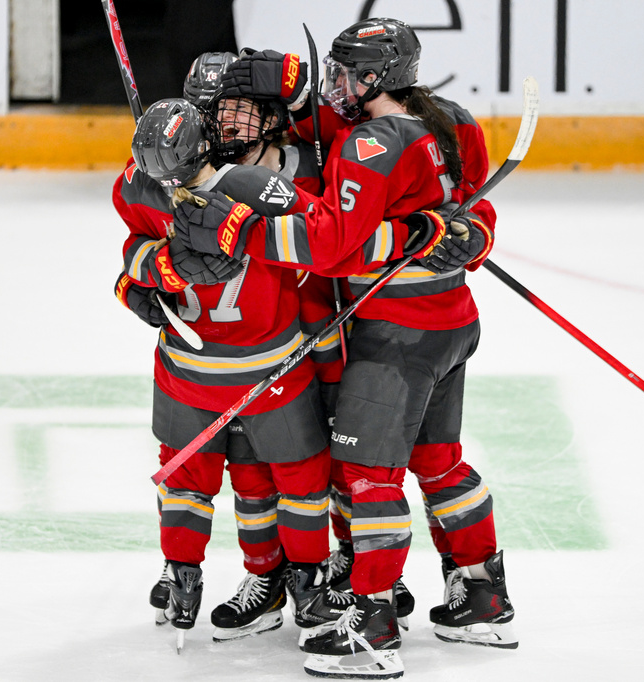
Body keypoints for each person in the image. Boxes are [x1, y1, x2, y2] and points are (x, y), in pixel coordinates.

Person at [172, 18, 517, 678]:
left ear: (378, 79)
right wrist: (461, 238)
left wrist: (239, 235)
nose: (335, 83)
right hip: (452, 321)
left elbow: (331, 249)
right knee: (439, 462)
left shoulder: (368, 144)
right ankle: (480, 594)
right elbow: (475, 219)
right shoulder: (454, 120)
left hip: (395, 335)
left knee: (368, 477)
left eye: (349, 73)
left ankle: (373, 627)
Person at [117, 96, 368, 649]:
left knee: (194, 481)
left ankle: (185, 574)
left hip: (190, 371)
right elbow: (324, 242)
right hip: (269, 373)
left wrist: (151, 270)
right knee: (295, 484)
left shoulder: (135, 184)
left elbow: (131, 251)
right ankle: (306, 584)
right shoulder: (254, 186)